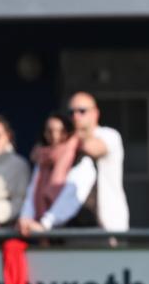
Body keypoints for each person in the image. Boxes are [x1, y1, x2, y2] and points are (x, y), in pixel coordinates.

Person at [17, 112, 97, 235]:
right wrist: (25, 219)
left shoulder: (81, 160)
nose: (55, 136)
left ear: (69, 132)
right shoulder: (42, 162)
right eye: (50, 131)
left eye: (61, 131)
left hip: (79, 235)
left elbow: (70, 199)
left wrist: (44, 224)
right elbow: (32, 194)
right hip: (47, 235)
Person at [67, 92, 129, 232]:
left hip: (107, 225)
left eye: (82, 111)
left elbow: (93, 148)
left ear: (95, 113)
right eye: (71, 112)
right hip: (71, 225)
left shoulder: (109, 135)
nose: (76, 116)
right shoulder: (68, 141)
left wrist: (71, 137)